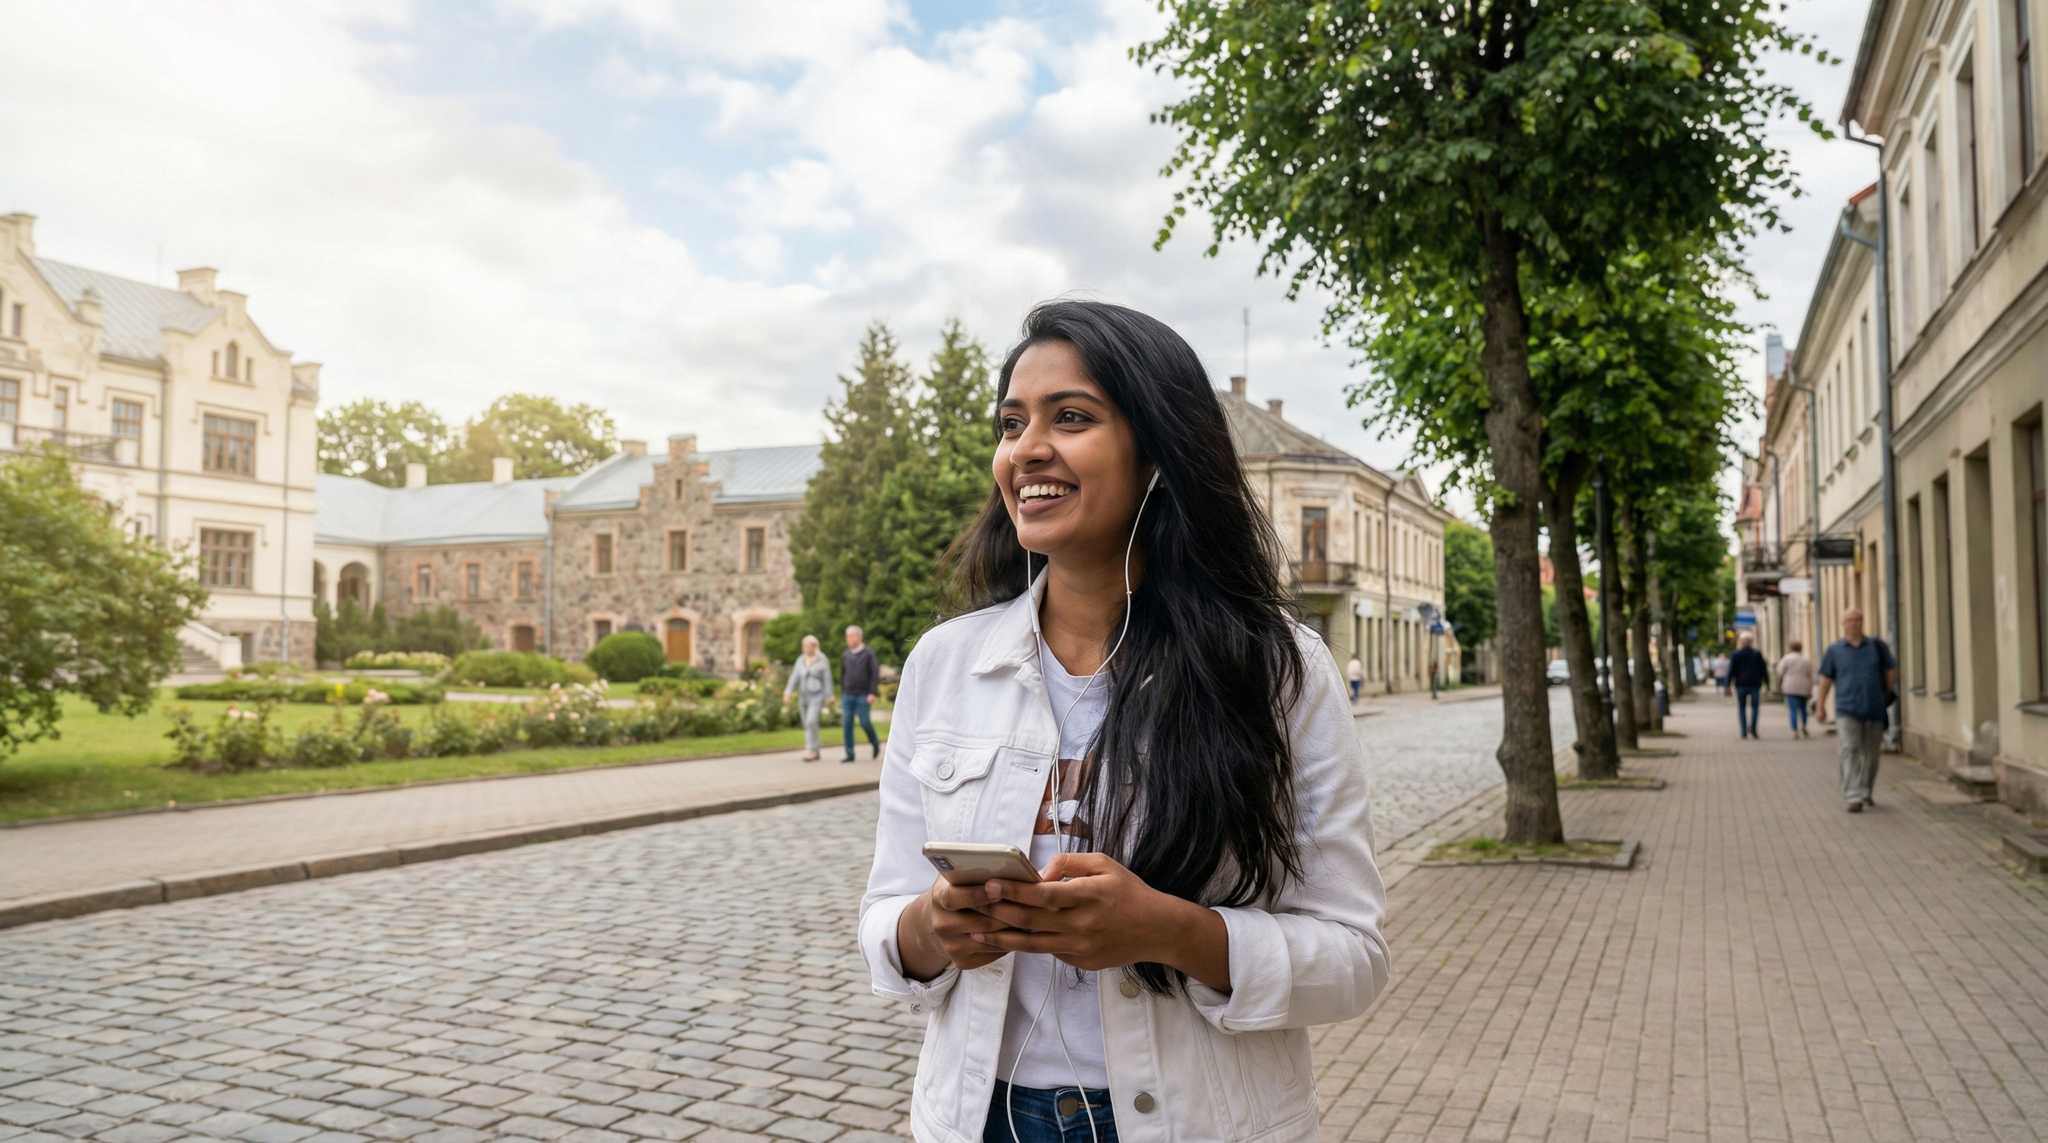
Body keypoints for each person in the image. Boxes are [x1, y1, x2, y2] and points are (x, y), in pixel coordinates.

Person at [858, 301, 1389, 1143]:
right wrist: (933, 926)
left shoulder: (1274, 670)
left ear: (1157, 454)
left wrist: (1168, 930)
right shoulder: (945, 666)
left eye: (1070, 417)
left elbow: (1353, 958)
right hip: (981, 1119)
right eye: (1010, 423)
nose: (1027, 448)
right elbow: (885, 918)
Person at [1814, 608, 1898, 813]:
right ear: (1843, 624)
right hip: (1846, 708)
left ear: (1863, 622)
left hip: (1874, 708)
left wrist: (1886, 693)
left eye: (1858, 619)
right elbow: (1825, 679)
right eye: (1850, 620)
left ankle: (1866, 790)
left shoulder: (1877, 647)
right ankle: (1853, 795)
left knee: (1871, 754)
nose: (1854, 623)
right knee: (1849, 749)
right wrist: (1820, 705)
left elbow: (1890, 672)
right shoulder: (1835, 650)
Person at [784, 635, 834, 761]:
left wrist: (829, 695)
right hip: (803, 696)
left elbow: (827, 679)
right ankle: (816, 751)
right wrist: (788, 692)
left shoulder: (822, 660)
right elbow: (794, 677)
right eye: (803, 646)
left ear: (814, 646)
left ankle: (810, 750)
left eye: (807, 646)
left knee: (811, 721)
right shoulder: (800, 660)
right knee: (808, 724)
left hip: (817, 695)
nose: (805, 648)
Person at [841, 626, 881, 764]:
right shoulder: (845, 654)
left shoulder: (868, 653)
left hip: (864, 695)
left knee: (864, 722)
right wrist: (843, 691)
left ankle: (874, 742)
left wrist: (872, 692)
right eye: (848, 637)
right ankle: (850, 754)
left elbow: (874, 674)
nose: (849, 639)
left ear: (859, 637)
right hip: (848, 695)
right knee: (847, 724)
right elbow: (842, 674)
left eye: (852, 636)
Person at [1728, 634, 1767, 738]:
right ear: (1751, 642)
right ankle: (1753, 729)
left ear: (1741, 642)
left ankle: (1743, 732)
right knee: (1755, 708)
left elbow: (1731, 670)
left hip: (1741, 685)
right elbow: (1763, 669)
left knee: (1741, 708)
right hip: (1755, 684)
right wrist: (1767, 683)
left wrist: (1727, 685)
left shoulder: (1736, 654)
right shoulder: (1757, 654)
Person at [1776, 640, 1814, 738]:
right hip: (1804, 686)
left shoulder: (1786, 658)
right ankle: (1804, 726)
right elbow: (1810, 675)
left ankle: (1794, 730)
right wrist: (1810, 689)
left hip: (1790, 686)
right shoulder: (1806, 659)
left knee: (1793, 710)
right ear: (1801, 648)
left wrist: (1779, 685)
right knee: (1803, 709)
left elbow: (1780, 672)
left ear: (1790, 648)